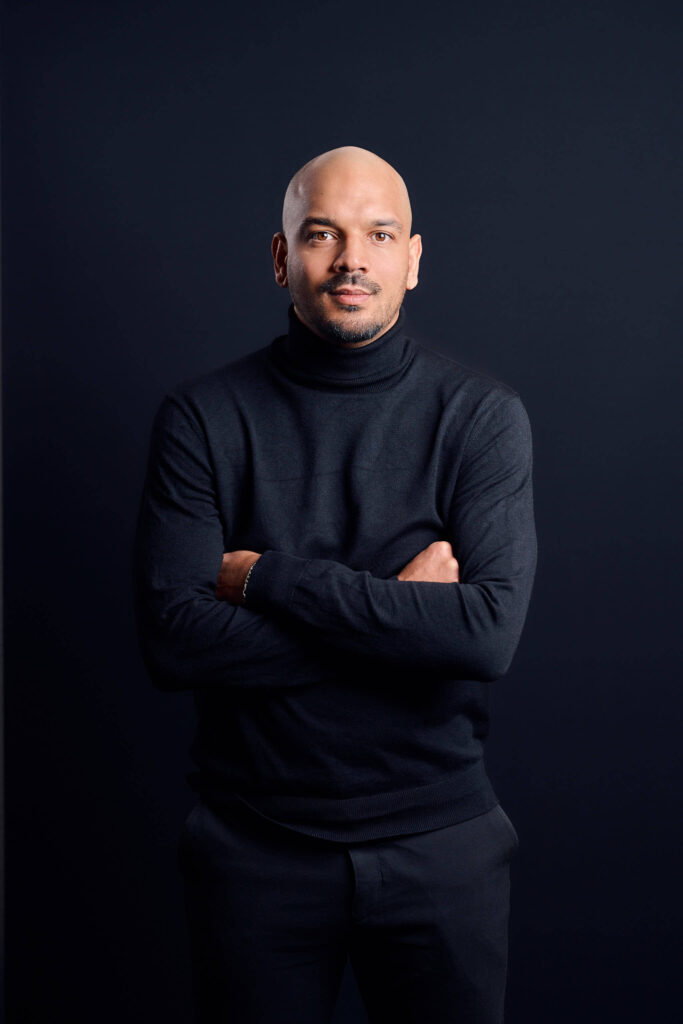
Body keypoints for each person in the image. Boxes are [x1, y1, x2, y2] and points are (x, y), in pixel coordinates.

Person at [133, 145, 537, 1023]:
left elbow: (484, 637)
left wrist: (265, 577)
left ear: (412, 260)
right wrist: (405, 612)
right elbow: (175, 644)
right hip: (253, 848)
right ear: (282, 257)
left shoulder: (479, 418)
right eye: (323, 234)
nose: (352, 258)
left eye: (379, 235)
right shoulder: (202, 418)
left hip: (442, 845)